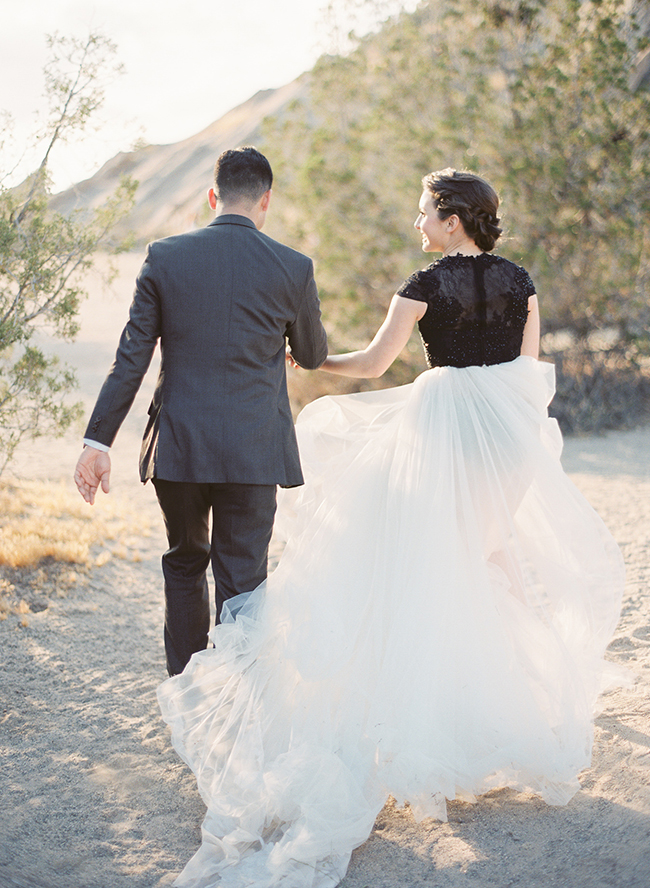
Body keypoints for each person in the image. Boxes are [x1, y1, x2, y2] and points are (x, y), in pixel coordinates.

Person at [157, 170, 624, 888]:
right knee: (489, 558)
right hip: (506, 436)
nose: (417, 224)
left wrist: (310, 362)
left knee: (422, 563)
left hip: (441, 434)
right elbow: (527, 372)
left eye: (423, 213)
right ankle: (531, 706)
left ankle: (420, 722)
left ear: (452, 217)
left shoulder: (424, 284)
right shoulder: (521, 282)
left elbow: (376, 364)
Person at [74, 146, 328, 676]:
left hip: (181, 445)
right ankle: (235, 701)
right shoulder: (294, 267)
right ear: (266, 201)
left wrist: (97, 442)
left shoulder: (164, 257)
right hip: (253, 449)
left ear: (213, 196)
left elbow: (131, 359)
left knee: (185, 563)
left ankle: (188, 693)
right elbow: (312, 355)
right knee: (244, 581)